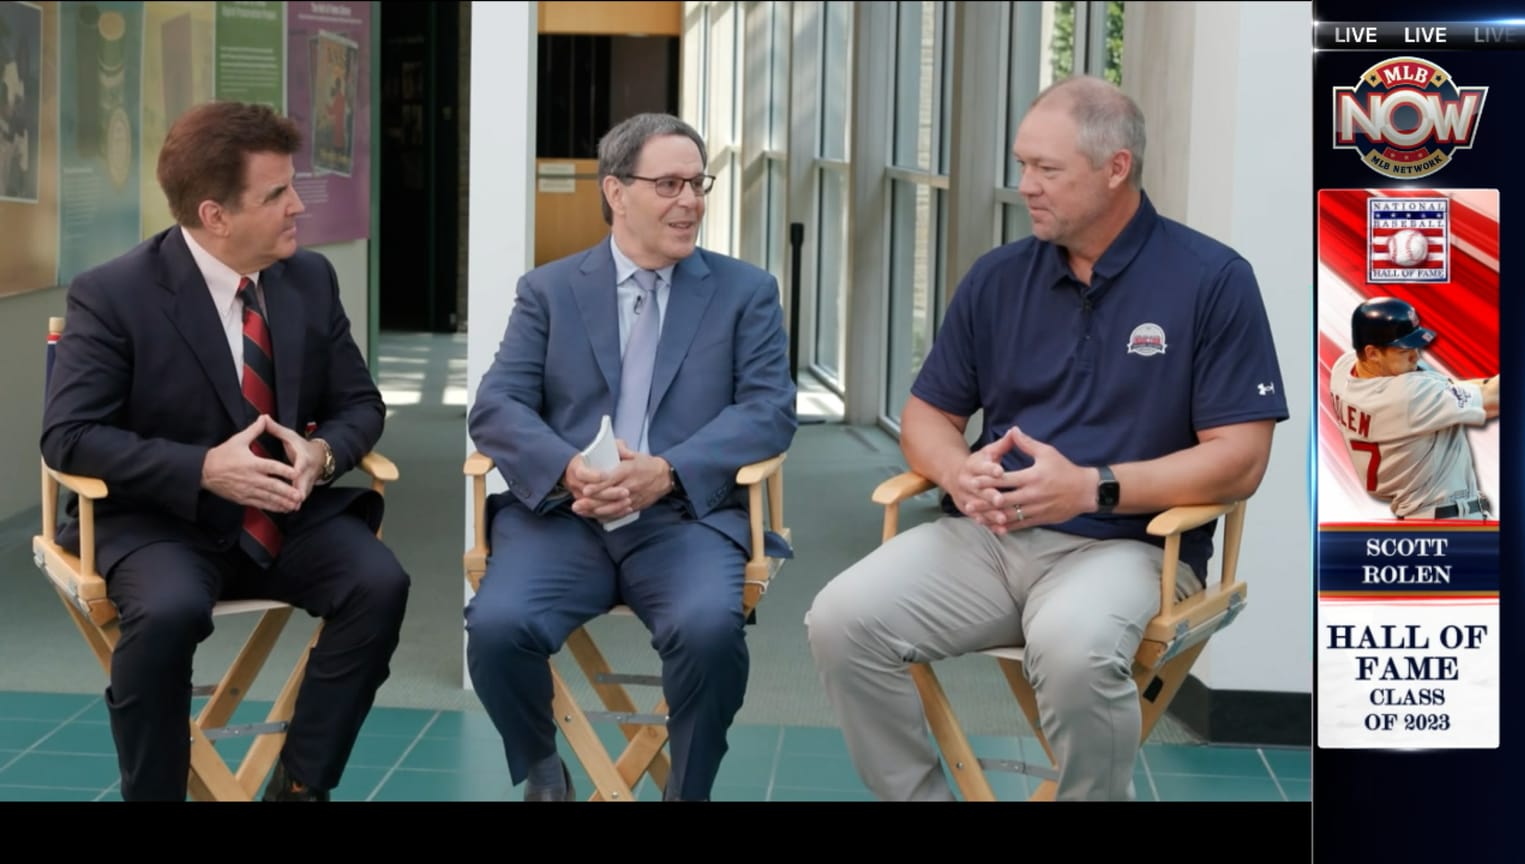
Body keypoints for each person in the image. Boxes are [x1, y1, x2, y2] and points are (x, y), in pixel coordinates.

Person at [805, 76, 1290, 801]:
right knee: (840, 619)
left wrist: (1092, 485)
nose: (1025, 185)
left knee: (1073, 650)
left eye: (1046, 169)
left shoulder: (1212, 279)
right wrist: (955, 471)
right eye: (1022, 163)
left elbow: (1240, 459)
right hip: (987, 539)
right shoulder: (997, 278)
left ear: (1115, 168)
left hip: (1132, 548)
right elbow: (926, 417)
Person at [41, 100, 410, 802]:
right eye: (277, 195)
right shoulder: (114, 294)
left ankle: (301, 787)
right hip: (158, 521)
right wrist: (204, 468)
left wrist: (322, 455)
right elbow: (69, 436)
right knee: (170, 612)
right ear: (215, 215)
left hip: (285, 515)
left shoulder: (309, 280)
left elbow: (361, 404)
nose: (299, 205)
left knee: (379, 584)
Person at [466, 112, 797, 802]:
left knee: (709, 631)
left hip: (684, 519)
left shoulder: (745, 292)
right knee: (497, 629)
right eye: (669, 184)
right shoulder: (550, 291)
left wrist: (667, 469)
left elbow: (770, 411)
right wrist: (566, 467)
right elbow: (496, 407)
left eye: (699, 184)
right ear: (616, 192)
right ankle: (543, 774)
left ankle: (690, 790)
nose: (692, 201)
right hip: (566, 517)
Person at [1328, 296, 1498, 520]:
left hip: (1420, 516)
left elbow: (1448, 389)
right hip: (1448, 521)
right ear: (1372, 353)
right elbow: (1493, 398)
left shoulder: (1343, 370)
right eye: (1403, 349)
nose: (1415, 354)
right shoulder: (1406, 395)